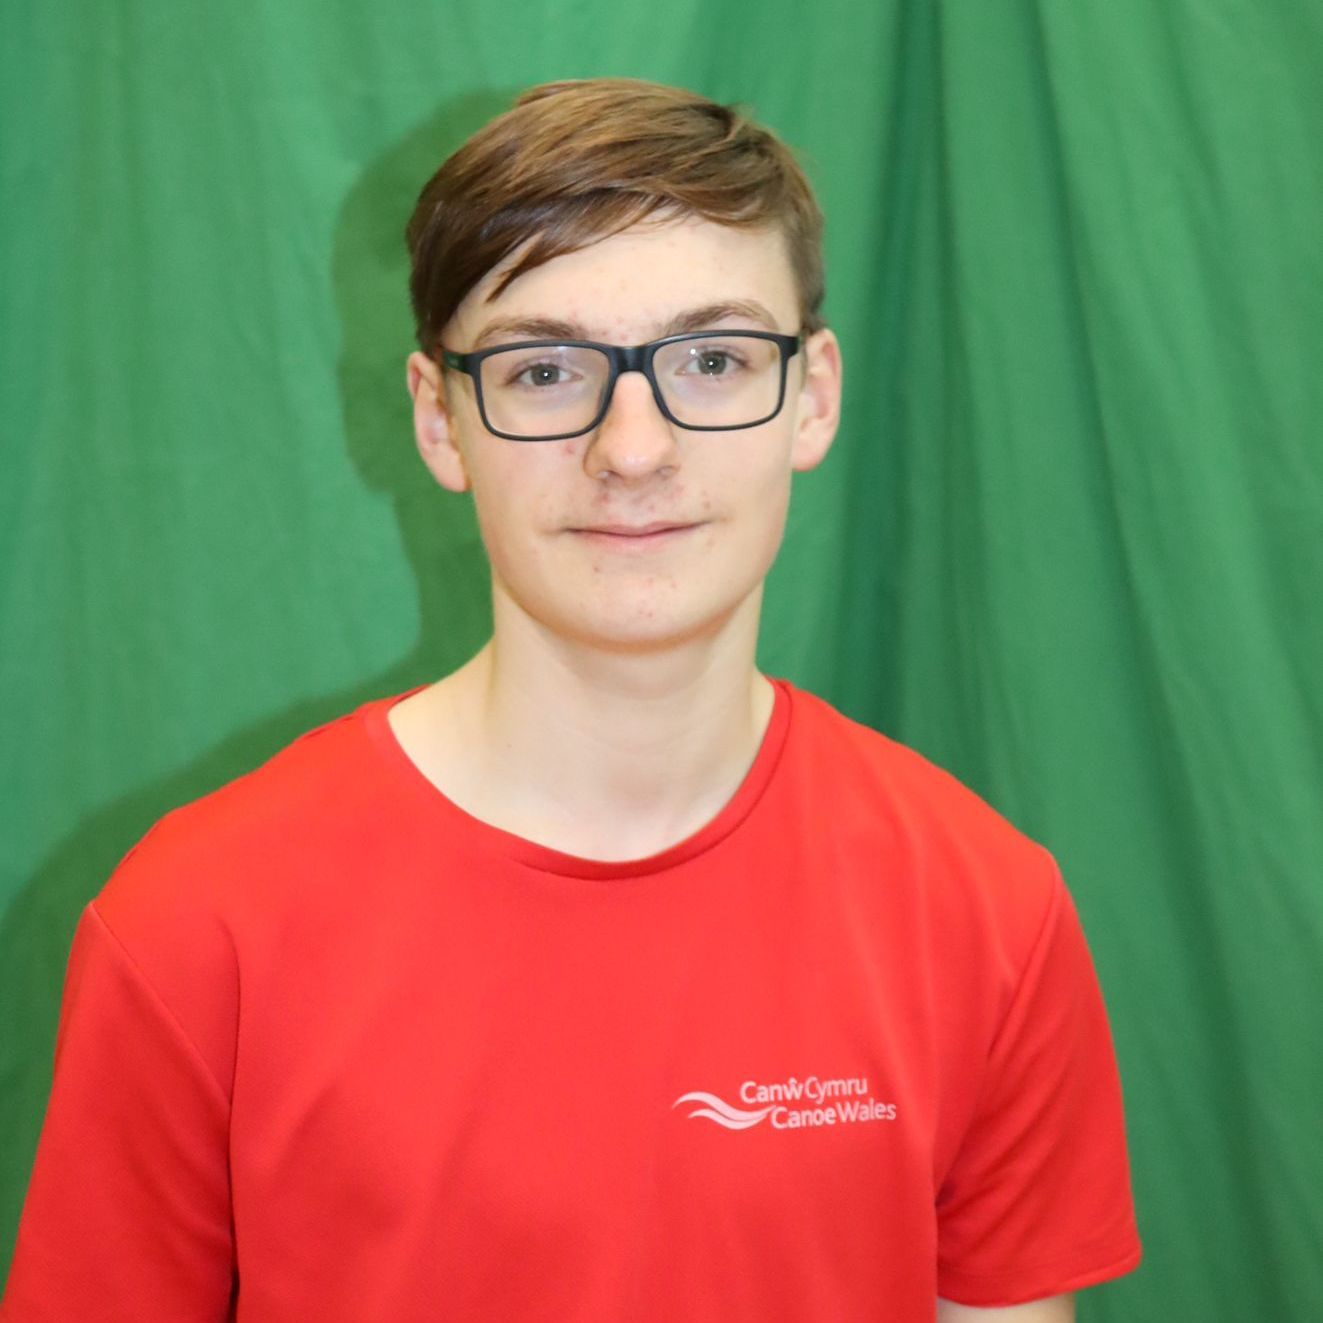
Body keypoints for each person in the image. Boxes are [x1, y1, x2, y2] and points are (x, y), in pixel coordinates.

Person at [1, 78, 1141, 1322]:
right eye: (545, 370)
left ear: (812, 396)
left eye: (713, 360)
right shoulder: (194, 927)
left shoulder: (988, 911)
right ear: (442, 421)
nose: (632, 450)